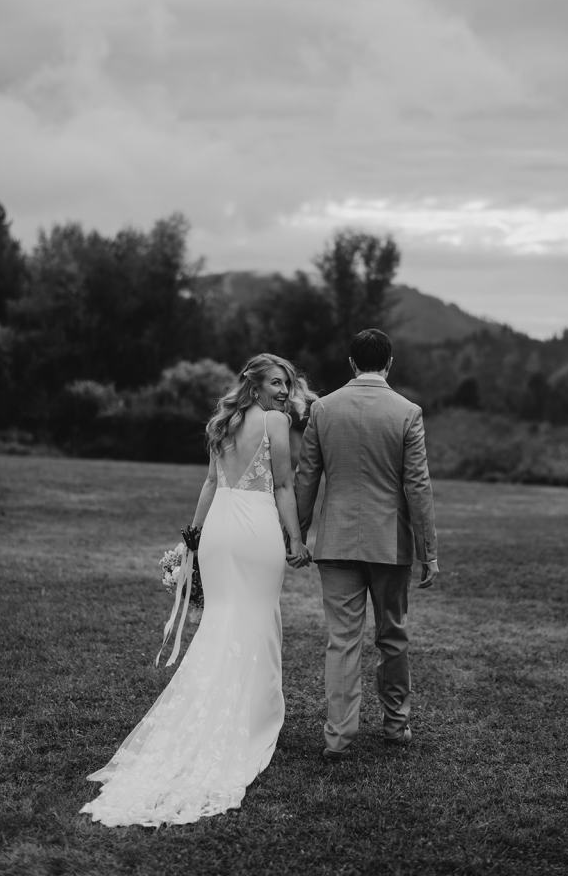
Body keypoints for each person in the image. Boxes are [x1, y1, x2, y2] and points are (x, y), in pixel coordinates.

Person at [81, 353, 311, 827]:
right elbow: (284, 485)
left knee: (224, 619)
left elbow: (210, 483)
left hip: (221, 530)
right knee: (256, 617)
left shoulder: (223, 422)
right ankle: (253, 717)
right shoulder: (273, 422)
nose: (285, 391)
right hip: (254, 530)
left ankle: (224, 708)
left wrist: (194, 538)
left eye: (288, 383)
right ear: (254, 383)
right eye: (276, 382)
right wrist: (296, 539)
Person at [294, 329, 439, 761]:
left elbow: (307, 476)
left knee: (342, 640)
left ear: (352, 363)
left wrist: (297, 534)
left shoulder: (323, 408)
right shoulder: (407, 412)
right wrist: (427, 550)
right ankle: (395, 725)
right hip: (389, 543)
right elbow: (418, 486)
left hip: (335, 540)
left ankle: (338, 736)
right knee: (392, 636)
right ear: (389, 363)